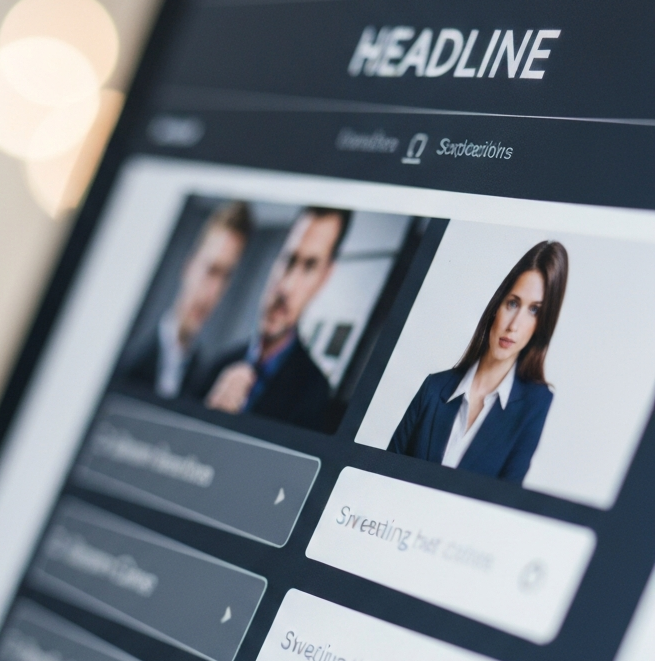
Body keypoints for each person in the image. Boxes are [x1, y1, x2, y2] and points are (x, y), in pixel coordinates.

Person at [388, 240, 568, 484]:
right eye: (513, 303)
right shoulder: (433, 388)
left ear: (542, 324)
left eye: (534, 310)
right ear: (497, 306)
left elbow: (501, 502)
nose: (513, 325)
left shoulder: (534, 403)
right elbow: (382, 477)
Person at [200, 206, 351, 430]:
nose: (286, 287)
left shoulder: (315, 397)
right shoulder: (217, 365)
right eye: (289, 260)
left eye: (309, 266)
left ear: (324, 277)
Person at [123, 201, 251, 398]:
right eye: (211, 271)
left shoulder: (202, 377)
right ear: (189, 266)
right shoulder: (128, 360)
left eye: (225, 277)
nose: (213, 293)